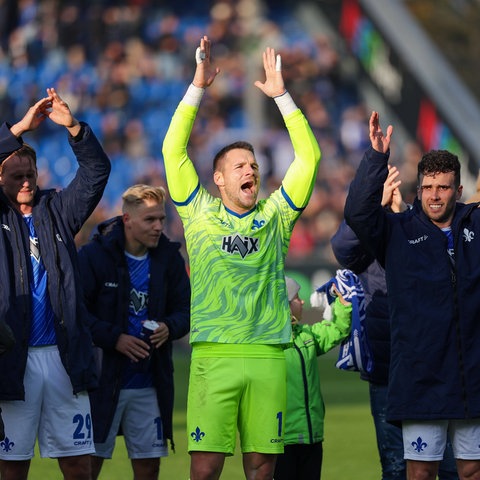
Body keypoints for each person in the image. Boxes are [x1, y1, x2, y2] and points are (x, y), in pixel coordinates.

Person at [162, 36, 321, 480]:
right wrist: (196, 88)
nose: (250, 170)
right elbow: (173, 151)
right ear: (218, 178)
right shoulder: (198, 213)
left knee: (262, 471)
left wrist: (282, 98)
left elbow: (309, 157)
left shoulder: (276, 216)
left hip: (269, 355)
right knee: (205, 469)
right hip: (214, 354)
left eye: (253, 164)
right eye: (239, 166)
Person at [344, 110, 480, 480]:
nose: (435, 196)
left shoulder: (475, 225)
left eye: (444, 187)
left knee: (471, 472)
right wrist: (375, 158)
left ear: (458, 190)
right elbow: (357, 213)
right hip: (422, 378)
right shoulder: (397, 231)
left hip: (472, 376)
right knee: (419, 473)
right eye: (428, 188)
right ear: (418, 190)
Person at [0, 88, 111, 480]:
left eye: (30, 174)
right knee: (12, 468)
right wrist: (17, 130)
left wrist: (76, 130)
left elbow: (97, 172)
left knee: (78, 465)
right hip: (13, 360)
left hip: (65, 357)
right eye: (17, 176)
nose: (27, 182)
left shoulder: (58, 210)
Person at [332, 167, 458, 479]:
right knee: (395, 465)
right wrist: (373, 206)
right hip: (386, 366)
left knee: (448, 465)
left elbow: (439, 250)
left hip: (430, 367)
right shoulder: (367, 233)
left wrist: (402, 212)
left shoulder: (419, 222)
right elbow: (343, 249)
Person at [77, 184, 191, 480]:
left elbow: (186, 311)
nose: (158, 227)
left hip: (150, 383)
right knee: (87, 467)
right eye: (150, 220)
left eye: (161, 219)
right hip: (101, 381)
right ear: (127, 219)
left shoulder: (169, 258)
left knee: (148, 468)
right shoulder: (94, 256)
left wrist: (170, 327)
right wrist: (114, 338)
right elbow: (76, 313)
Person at [273, 276, 351, 480]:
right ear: (284, 305)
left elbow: (335, 330)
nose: (303, 301)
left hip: (312, 435)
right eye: (297, 298)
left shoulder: (306, 336)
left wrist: (343, 306)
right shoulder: (267, 345)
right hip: (280, 440)